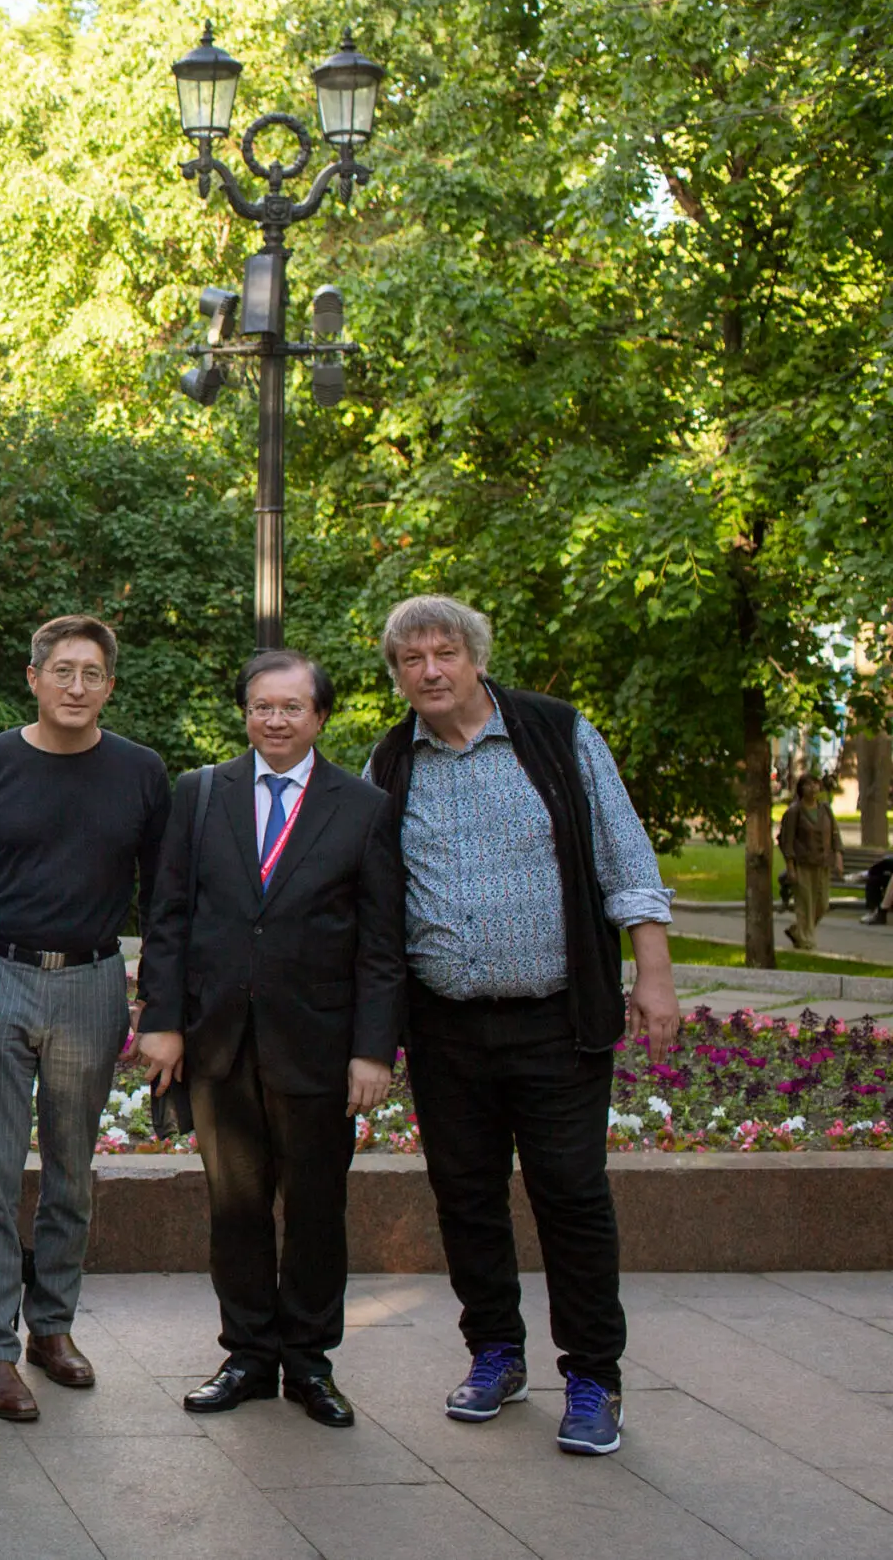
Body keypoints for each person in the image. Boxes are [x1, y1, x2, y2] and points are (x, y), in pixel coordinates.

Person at [367, 594, 680, 1457]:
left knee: (572, 1197)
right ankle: (496, 1354)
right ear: (396, 675)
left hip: (555, 1021)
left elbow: (625, 852)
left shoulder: (555, 732)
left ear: (475, 656)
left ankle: (592, 1377)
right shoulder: (391, 760)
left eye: (443, 654)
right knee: (465, 1197)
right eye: (410, 661)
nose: (429, 671)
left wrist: (652, 971)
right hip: (444, 1028)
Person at [136, 650, 404, 1428]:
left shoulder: (362, 806)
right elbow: (170, 914)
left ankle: (309, 1362)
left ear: (321, 716)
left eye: (291, 707)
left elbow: (381, 943)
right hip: (220, 1041)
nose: (275, 720)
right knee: (237, 1206)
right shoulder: (202, 792)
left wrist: (372, 1048)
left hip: (319, 1046)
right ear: (245, 712)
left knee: (316, 1208)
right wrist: (160, 1020)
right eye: (262, 706)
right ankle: (249, 1353)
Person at [0, 613, 171, 1418]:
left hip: (91, 980)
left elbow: (165, 895)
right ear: (34, 676)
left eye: (93, 673)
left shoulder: (142, 772)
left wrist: (159, 1000)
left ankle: (52, 1325)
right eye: (63, 670)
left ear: (109, 685)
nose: (77, 686)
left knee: (73, 1171)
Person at [780, 773, 844, 951]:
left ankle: (797, 930)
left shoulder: (825, 809)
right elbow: (787, 840)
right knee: (805, 904)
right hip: (803, 864)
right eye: (808, 785)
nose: (813, 788)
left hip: (823, 863)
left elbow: (835, 834)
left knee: (822, 904)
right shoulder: (794, 811)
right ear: (801, 789)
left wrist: (838, 856)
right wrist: (790, 866)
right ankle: (806, 941)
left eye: (815, 784)